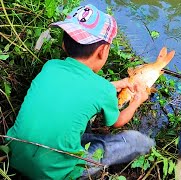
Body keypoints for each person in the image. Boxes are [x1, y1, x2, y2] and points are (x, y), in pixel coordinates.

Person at [6, 4, 154, 179]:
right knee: (139, 141)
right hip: (54, 174)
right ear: (103, 51)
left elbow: (79, 88)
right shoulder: (102, 89)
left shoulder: (50, 66)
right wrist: (138, 100)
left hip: (13, 156)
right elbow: (117, 122)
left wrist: (117, 84)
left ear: (64, 43)